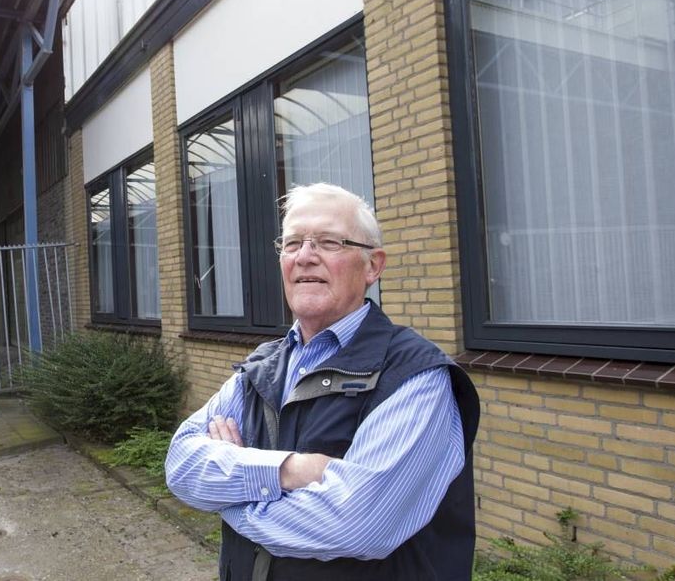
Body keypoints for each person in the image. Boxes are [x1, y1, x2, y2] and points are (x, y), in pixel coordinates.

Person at [165, 182, 480, 580]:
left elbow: (358, 525)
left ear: (373, 266)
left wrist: (227, 496)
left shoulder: (416, 376)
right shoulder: (260, 368)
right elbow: (180, 465)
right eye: (293, 242)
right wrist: (289, 471)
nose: (305, 257)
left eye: (329, 242)